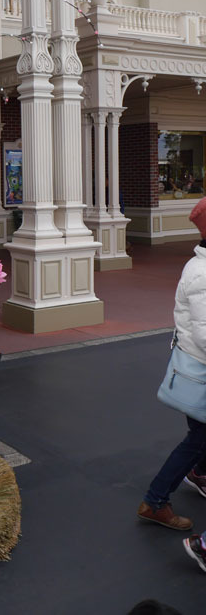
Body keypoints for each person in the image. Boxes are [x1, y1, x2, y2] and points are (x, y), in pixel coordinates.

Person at [137, 196, 206, 530]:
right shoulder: (203, 275)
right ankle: (155, 501)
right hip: (201, 368)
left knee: (200, 435)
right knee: (198, 439)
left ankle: (200, 472)